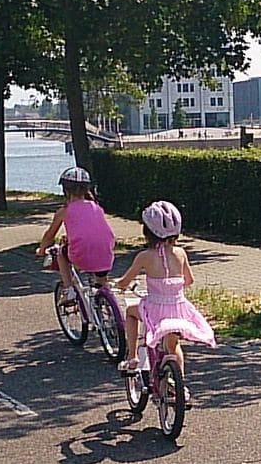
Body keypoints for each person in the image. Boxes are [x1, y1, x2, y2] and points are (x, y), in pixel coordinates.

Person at [113, 200, 214, 401]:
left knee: (131, 313)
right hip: (178, 308)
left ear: (147, 232)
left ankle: (132, 357)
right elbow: (189, 280)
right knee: (173, 344)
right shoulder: (181, 253)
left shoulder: (144, 257)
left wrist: (119, 285)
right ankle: (180, 385)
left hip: (154, 309)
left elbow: (125, 281)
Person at [34, 167, 115, 299]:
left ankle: (69, 288)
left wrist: (41, 250)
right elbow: (93, 231)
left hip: (80, 255)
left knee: (61, 252)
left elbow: (49, 236)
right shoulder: (97, 207)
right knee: (102, 280)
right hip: (106, 253)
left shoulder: (64, 211)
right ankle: (109, 302)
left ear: (65, 190)